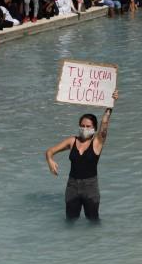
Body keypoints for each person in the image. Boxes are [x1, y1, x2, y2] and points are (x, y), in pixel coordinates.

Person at [44, 90, 119, 220]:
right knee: (70, 221)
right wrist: (50, 160)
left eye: (88, 126)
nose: (84, 128)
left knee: (93, 221)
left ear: (94, 129)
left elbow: (105, 124)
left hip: (90, 188)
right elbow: (49, 151)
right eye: (82, 125)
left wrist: (110, 105)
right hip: (72, 187)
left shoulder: (97, 142)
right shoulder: (72, 141)